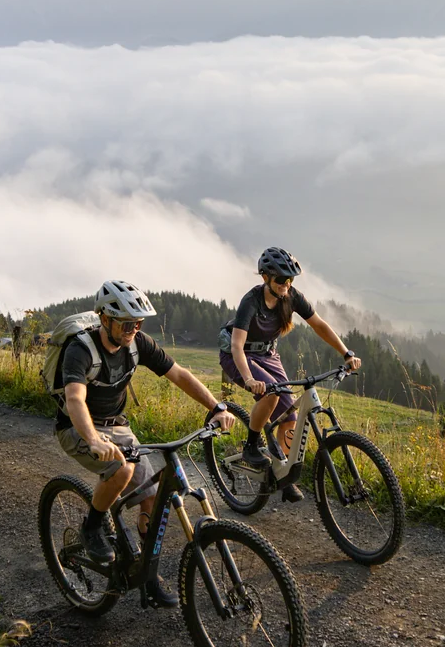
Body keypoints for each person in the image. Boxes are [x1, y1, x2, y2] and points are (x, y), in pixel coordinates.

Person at [58, 279, 232, 605]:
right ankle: (92, 526)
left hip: (118, 427)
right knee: (120, 469)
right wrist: (94, 439)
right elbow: (75, 400)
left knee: (152, 496)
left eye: (138, 323)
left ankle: (146, 574)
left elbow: (178, 374)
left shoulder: (138, 343)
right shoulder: (80, 350)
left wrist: (216, 406)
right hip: (77, 428)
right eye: (126, 323)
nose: (133, 330)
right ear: (105, 319)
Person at [221, 247, 360, 502]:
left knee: (290, 415)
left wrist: (346, 353)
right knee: (271, 394)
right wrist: (250, 380)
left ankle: (283, 475)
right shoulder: (251, 302)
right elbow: (236, 346)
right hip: (238, 355)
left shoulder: (291, 296)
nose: (287, 284)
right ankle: (251, 445)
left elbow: (319, 324)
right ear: (265, 277)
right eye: (281, 279)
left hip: (268, 354)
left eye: (290, 279)